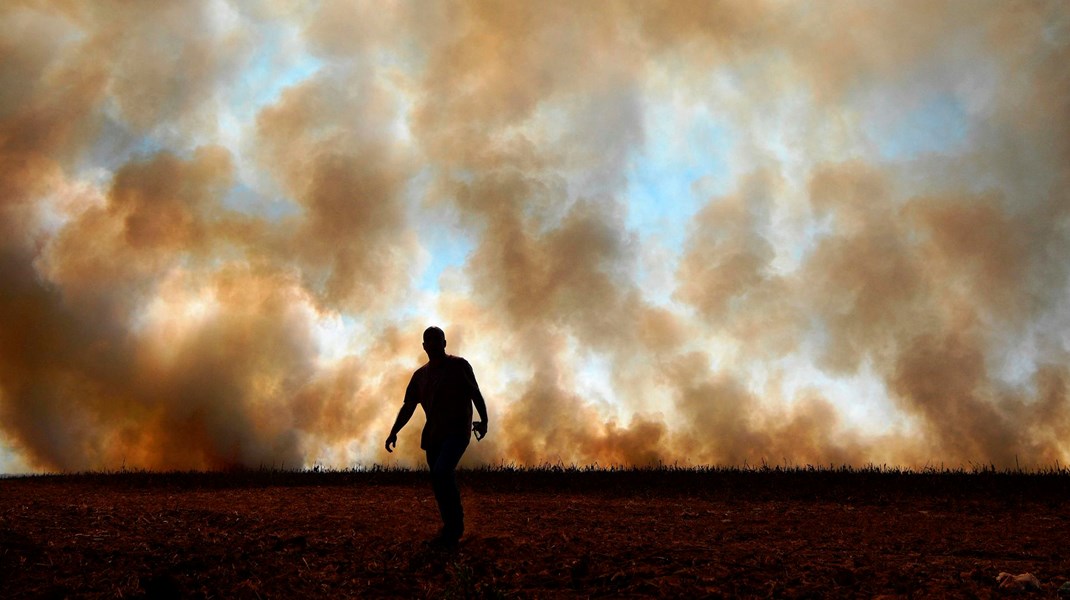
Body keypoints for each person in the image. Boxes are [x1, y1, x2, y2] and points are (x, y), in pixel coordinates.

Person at [385, 326, 489, 546]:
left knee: (442, 472)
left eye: (437, 339)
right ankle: (450, 526)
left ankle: (455, 527)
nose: (433, 343)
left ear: (444, 343)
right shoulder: (420, 375)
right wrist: (394, 431)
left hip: (457, 431)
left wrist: (484, 420)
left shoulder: (459, 365)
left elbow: (474, 393)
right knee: (438, 480)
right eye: (428, 340)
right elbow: (408, 406)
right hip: (433, 436)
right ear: (424, 346)